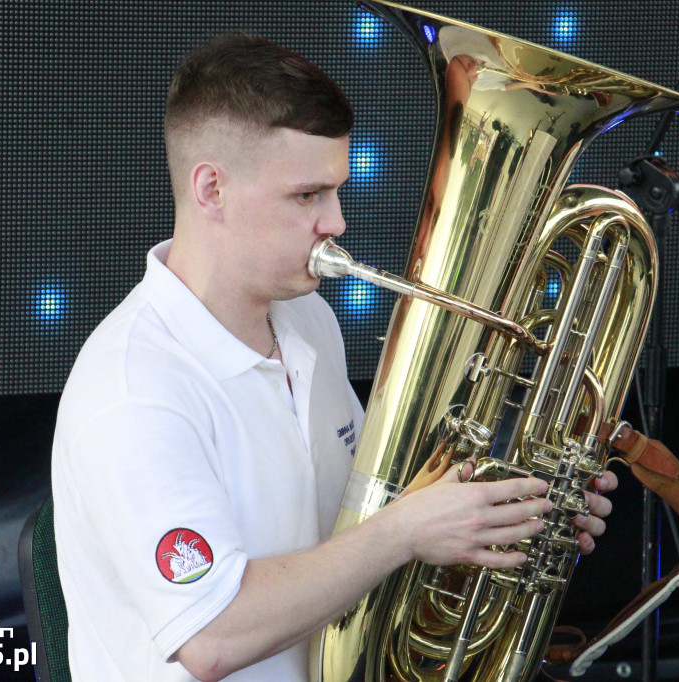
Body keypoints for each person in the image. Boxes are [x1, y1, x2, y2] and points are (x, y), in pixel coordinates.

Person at [51, 32, 617, 682]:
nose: (337, 222)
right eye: (307, 196)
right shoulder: (134, 389)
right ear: (211, 190)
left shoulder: (308, 321)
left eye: (336, 191)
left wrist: (511, 511)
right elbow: (210, 636)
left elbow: (354, 530)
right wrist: (405, 531)